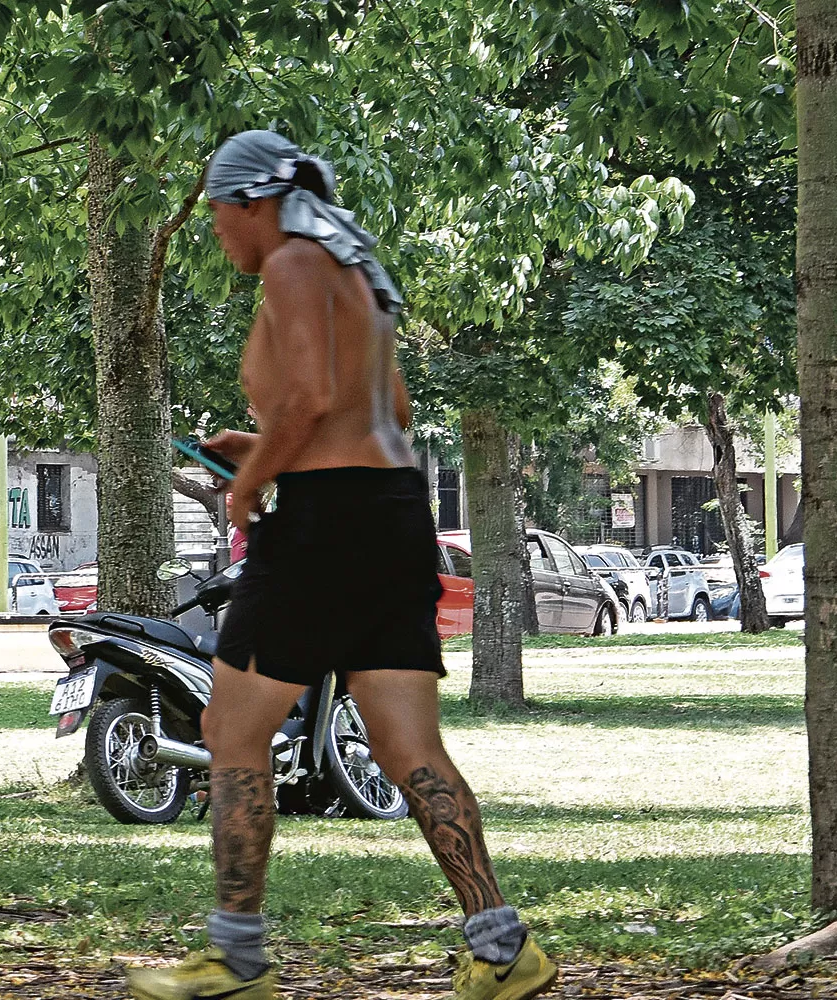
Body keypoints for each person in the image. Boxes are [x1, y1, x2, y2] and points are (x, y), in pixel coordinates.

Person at [126, 131, 556, 1000]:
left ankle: (236, 960)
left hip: (325, 533)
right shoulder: (355, 270)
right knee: (409, 746)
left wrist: (251, 480)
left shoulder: (289, 261)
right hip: (394, 518)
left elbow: (310, 398)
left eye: (217, 217)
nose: (219, 237)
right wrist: (268, 449)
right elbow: (377, 409)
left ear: (252, 202)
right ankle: (505, 951)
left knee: (231, 732)